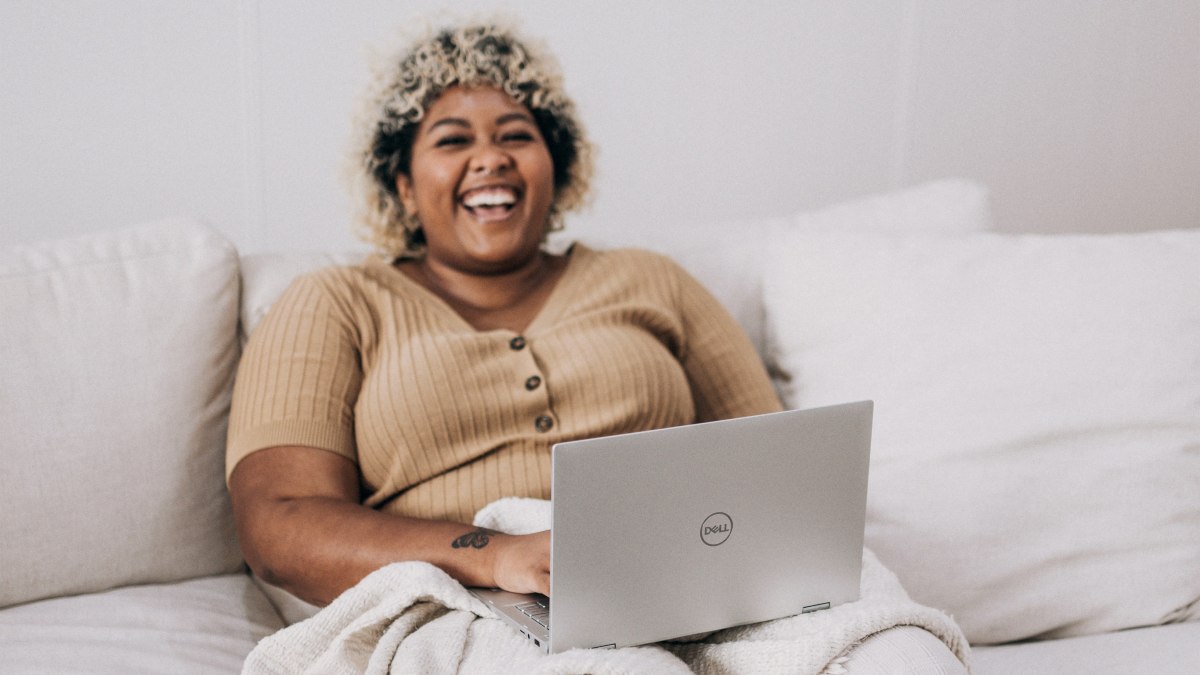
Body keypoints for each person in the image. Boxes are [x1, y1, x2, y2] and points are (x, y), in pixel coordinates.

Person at [225, 20, 781, 609]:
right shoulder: (335, 302)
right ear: (405, 186)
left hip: (682, 582)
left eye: (515, 136)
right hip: (458, 604)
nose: (490, 159)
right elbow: (278, 526)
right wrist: (495, 555)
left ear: (557, 168)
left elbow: (777, 465)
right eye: (452, 140)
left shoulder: (652, 280)